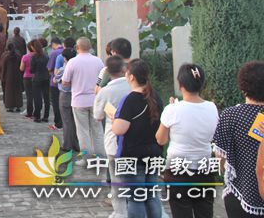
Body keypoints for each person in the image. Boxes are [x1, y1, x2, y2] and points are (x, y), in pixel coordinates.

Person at [155, 63, 218, 218]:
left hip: (178, 171)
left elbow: (161, 140)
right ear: (201, 84)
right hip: (205, 169)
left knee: (181, 213)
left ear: (180, 84)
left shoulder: (172, 110)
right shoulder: (212, 107)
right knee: (205, 213)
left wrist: (169, 112)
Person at [112, 59, 163, 217]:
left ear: (131, 76)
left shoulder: (130, 99)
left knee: (135, 199)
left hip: (132, 156)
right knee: (152, 196)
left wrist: (114, 120)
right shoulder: (156, 97)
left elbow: (119, 129)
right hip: (154, 153)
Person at [213, 61, 264, 216]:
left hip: (238, 192)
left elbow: (220, 156)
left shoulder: (230, 115)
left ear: (243, 88)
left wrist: (224, 169)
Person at [93, 55, 131, 218]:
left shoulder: (105, 91)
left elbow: (98, 116)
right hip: (134, 140)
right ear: (124, 69)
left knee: (116, 180)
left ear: (107, 71)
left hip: (113, 140)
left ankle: (120, 212)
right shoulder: (133, 87)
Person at [61, 37, 105, 161]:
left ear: (77, 47)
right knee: (97, 129)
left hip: (79, 100)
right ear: (90, 47)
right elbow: (102, 79)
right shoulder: (98, 61)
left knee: (82, 131)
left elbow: (65, 82)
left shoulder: (73, 62)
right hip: (95, 100)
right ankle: (101, 156)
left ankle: (86, 158)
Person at [56, 47, 80, 153]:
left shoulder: (64, 68)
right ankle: (76, 144)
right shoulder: (78, 67)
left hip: (65, 95)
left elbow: (56, 79)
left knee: (66, 121)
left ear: (65, 58)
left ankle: (67, 145)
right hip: (76, 94)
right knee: (75, 121)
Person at [30, 39, 50, 123]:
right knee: (46, 98)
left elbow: (32, 70)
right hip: (46, 77)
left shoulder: (34, 57)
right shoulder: (46, 55)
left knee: (37, 98)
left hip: (37, 78)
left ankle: (37, 116)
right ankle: (46, 116)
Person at [0, 42, 23, 112]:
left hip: (8, 76)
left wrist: (2, 76)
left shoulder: (5, 55)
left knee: (9, 91)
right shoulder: (18, 55)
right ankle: (18, 106)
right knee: (17, 91)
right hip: (17, 75)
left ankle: (10, 107)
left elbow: (2, 67)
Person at [47, 37, 64, 130]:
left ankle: (58, 123)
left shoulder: (54, 53)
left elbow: (49, 67)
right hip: (66, 83)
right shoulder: (66, 51)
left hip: (55, 82)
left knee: (56, 104)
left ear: (53, 44)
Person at [20, 43, 35, 119]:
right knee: (36, 95)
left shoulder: (25, 57)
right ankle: (37, 111)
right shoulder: (38, 55)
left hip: (27, 77)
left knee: (29, 96)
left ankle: (29, 112)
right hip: (35, 77)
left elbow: (21, 68)